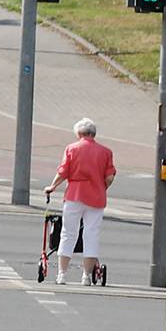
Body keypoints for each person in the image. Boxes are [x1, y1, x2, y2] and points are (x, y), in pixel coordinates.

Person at [49, 118, 117, 284]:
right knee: (91, 235)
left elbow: (63, 172)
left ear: (79, 134)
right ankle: (86, 276)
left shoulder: (72, 149)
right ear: (93, 134)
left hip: (74, 195)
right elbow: (109, 177)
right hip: (96, 197)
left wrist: (52, 186)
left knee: (68, 233)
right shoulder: (106, 152)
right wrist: (102, 188)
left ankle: (62, 274)